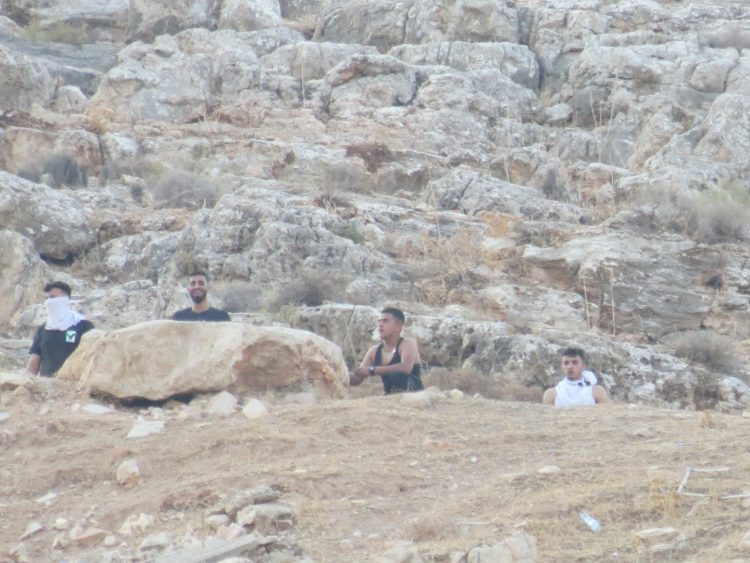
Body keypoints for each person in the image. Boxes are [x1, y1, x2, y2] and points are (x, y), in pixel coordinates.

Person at [26, 281, 95, 377]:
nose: (49, 302)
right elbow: (35, 358)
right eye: (47, 298)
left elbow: (91, 359)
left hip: (71, 382)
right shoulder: (43, 329)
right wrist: (28, 380)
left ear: (65, 300)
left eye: (53, 297)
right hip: (46, 383)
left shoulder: (83, 326)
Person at [350, 307, 424, 395]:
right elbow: (358, 378)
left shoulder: (407, 344)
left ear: (398, 327)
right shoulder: (374, 351)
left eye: (385, 321)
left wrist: (372, 370)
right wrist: (339, 374)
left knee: (397, 375)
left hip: (413, 397)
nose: (380, 324)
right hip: (390, 399)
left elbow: (406, 368)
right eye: (379, 321)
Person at [543, 347, 608, 407]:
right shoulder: (551, 395)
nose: (569, 367)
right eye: (566, 363)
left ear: (583, 366)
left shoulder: (597, 392)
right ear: (562, 366)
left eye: (574, 362)